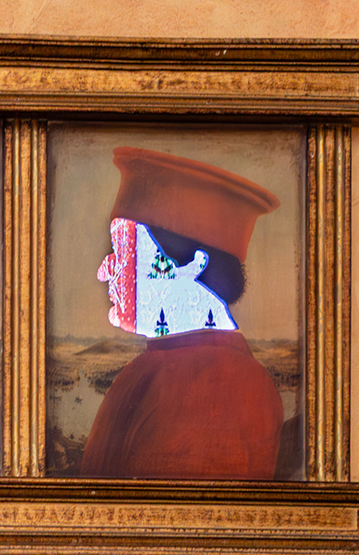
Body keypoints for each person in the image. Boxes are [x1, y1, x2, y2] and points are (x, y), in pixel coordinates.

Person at [82, 147, 283, 479]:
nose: (105, 272)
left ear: (193, 266)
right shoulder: (169, 367)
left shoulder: (212, 388)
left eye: (126, 251)